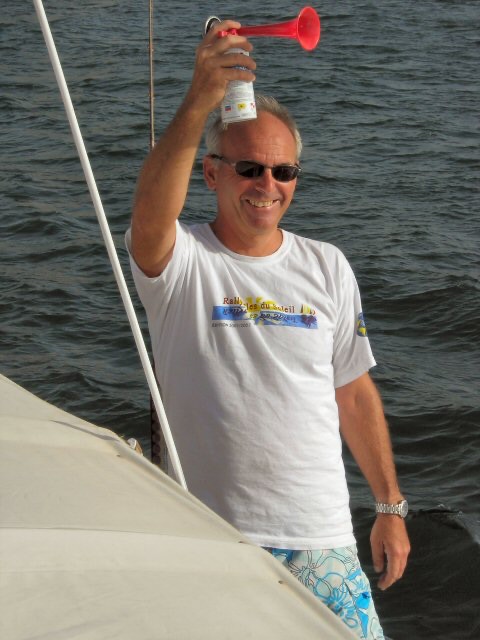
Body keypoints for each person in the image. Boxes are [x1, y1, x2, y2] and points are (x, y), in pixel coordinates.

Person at [127, 20, 410, 640]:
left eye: (285, 172)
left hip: (324, 542)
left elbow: (353, 393)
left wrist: (389, 506)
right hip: (211, 539)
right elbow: (148, 218)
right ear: (212, 173)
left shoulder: (328, 265)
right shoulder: (182, 262)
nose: (268, 185)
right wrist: (200, 100)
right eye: (250, 167)